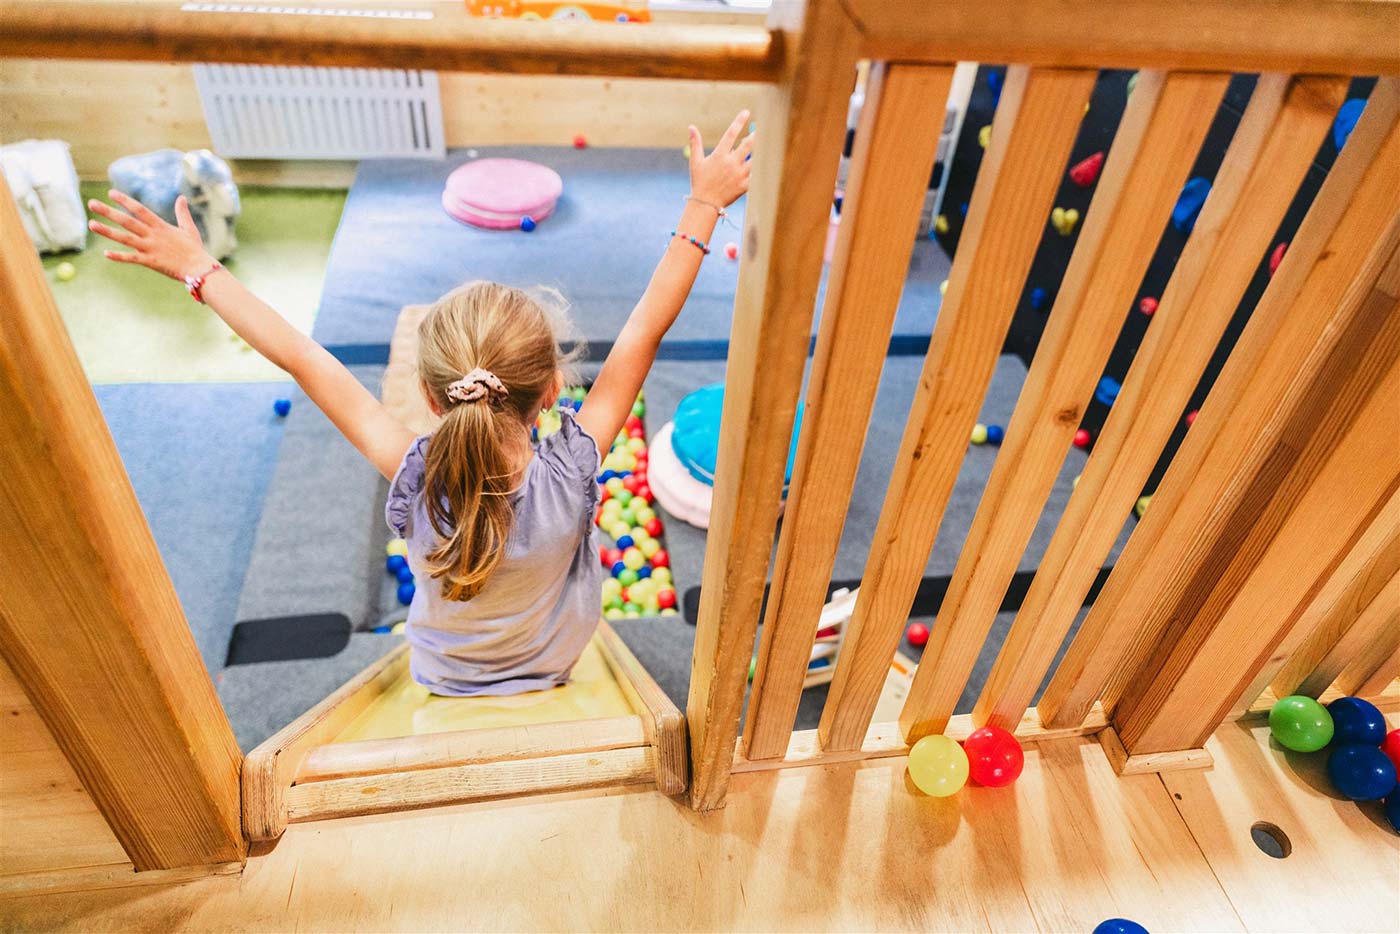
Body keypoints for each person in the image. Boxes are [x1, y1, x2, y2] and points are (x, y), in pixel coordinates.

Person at [86, 111, 753, 695]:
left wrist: (200, 271)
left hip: (444, 678)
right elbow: (644, 328)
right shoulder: (574, 464)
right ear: (553, 392)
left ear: (433, 400)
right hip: (554, 663)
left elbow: (304, 356)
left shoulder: (414, 473)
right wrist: (703, 203)